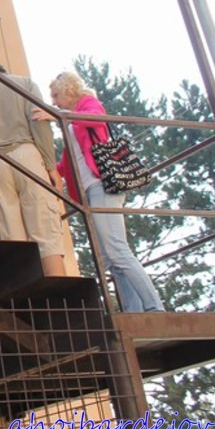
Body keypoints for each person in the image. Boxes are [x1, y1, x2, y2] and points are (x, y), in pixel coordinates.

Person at [48, 71, 164, 312]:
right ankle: (134, 312)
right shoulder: (71, 120)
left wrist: (61, 116)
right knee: (110, 257)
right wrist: (50, 169)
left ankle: (154, 308)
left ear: (68, 90)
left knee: (117, 250)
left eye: (56, 95)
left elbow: (97, 118)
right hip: (91, 188)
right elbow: (70, 160)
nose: (54, 102)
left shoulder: (87, 104)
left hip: (102, 184)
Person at [0, 64, 67, 277]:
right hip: (27, 156)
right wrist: (50, 166)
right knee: (46, 234)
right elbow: (39, 122)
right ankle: (62, 293)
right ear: (5, 72)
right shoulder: (25, 83)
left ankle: (26, 295)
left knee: (9, 236)